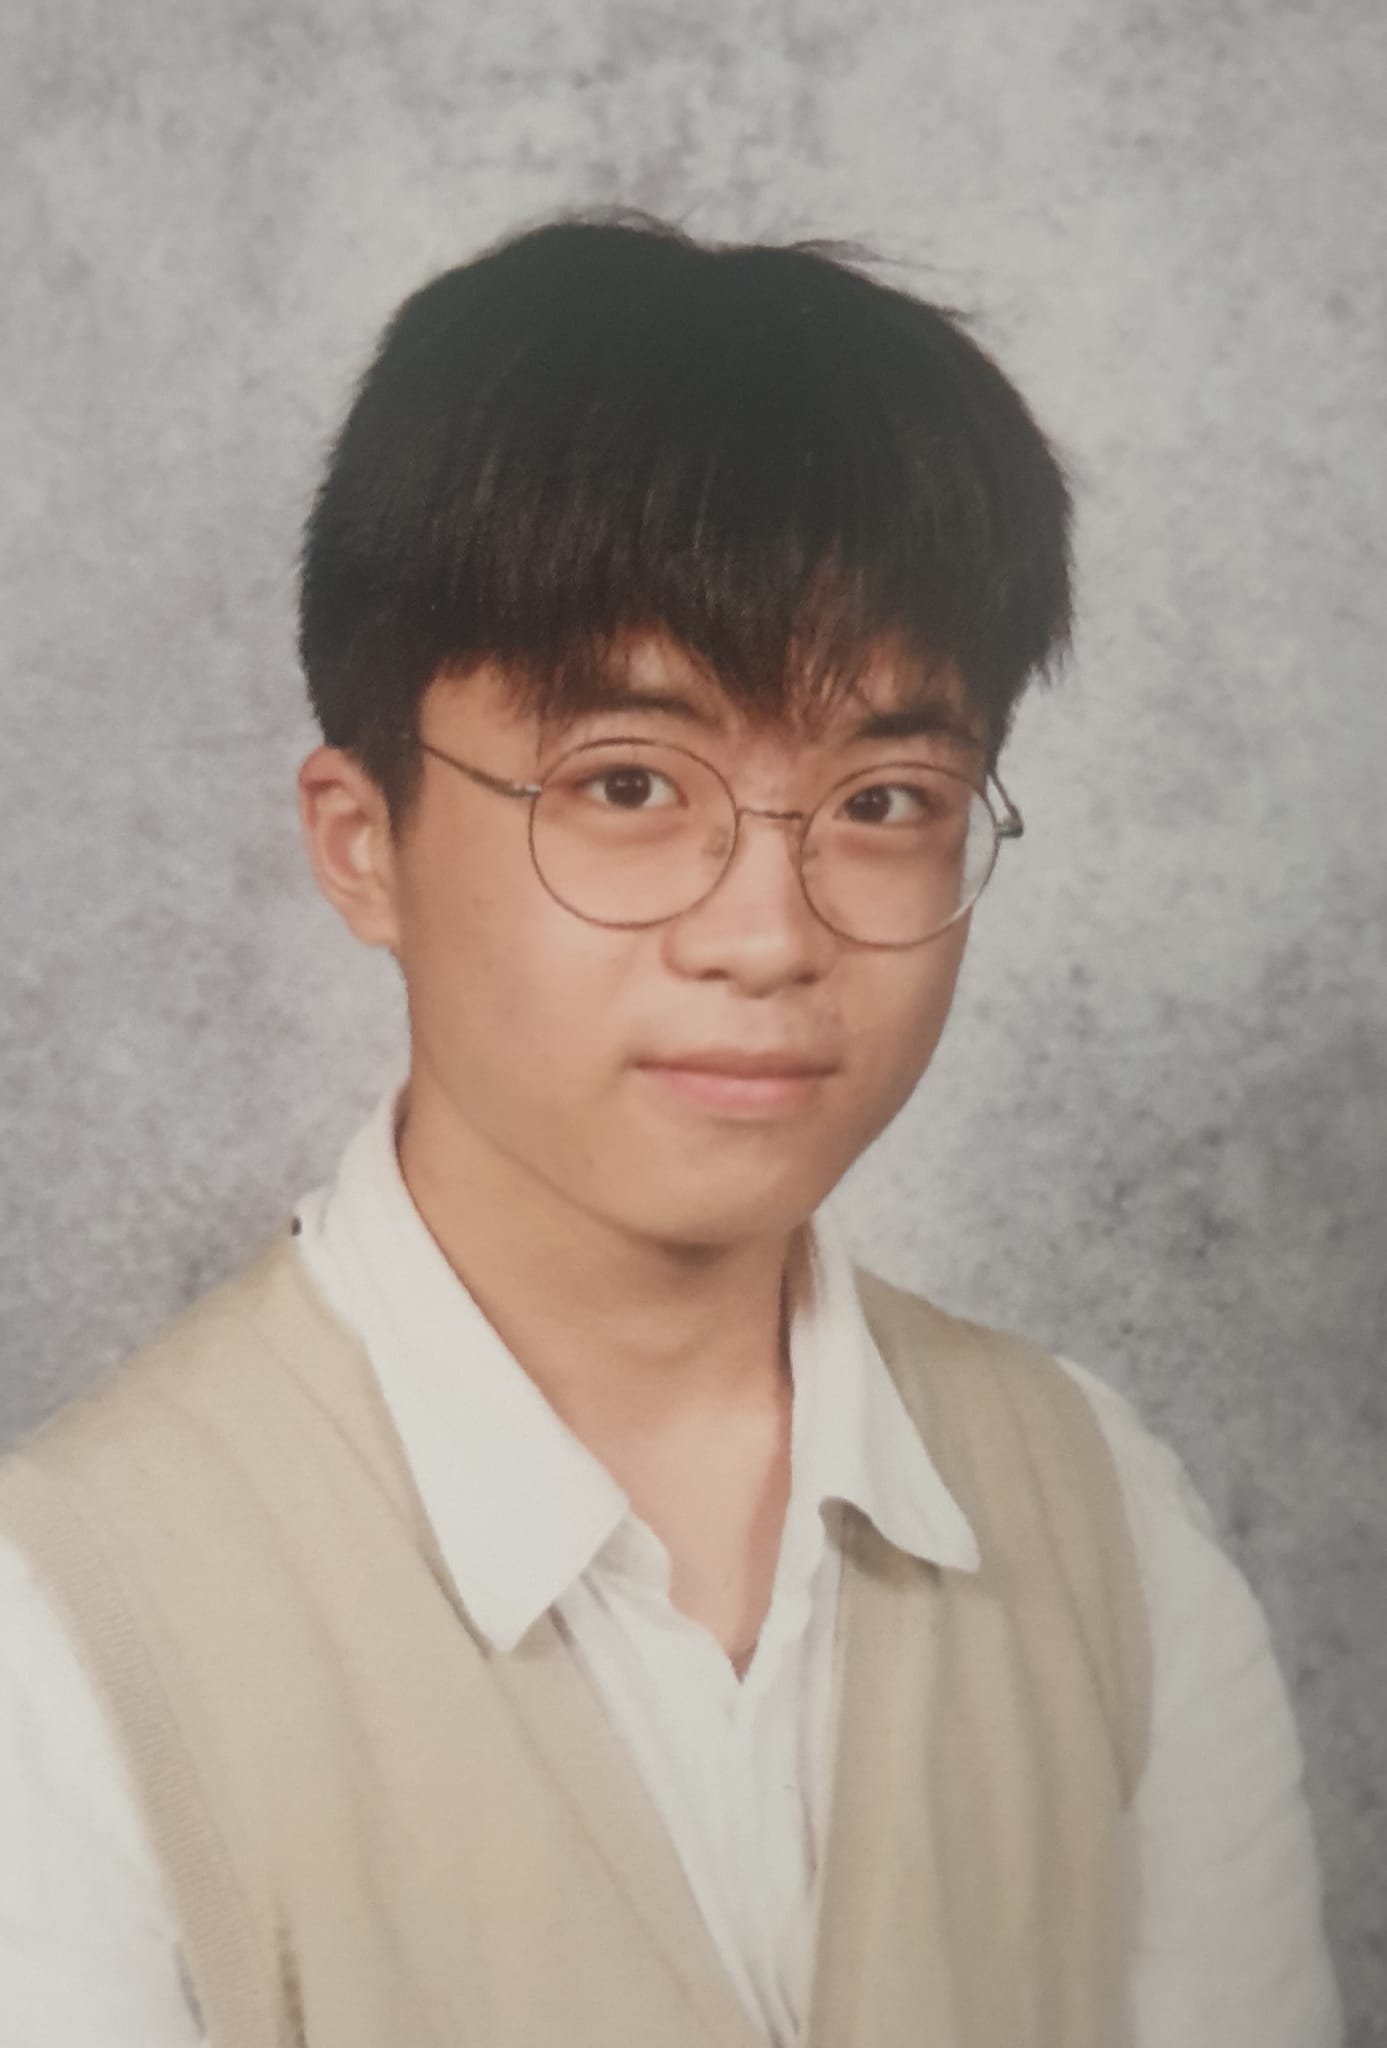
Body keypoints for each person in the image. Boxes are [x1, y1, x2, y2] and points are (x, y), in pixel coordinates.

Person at [0, 214, 1341, 2048]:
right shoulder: (70, 1626)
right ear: (362, 843)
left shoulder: (1105, 1519)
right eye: (628, 782)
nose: (768, 934)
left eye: (887, 798)